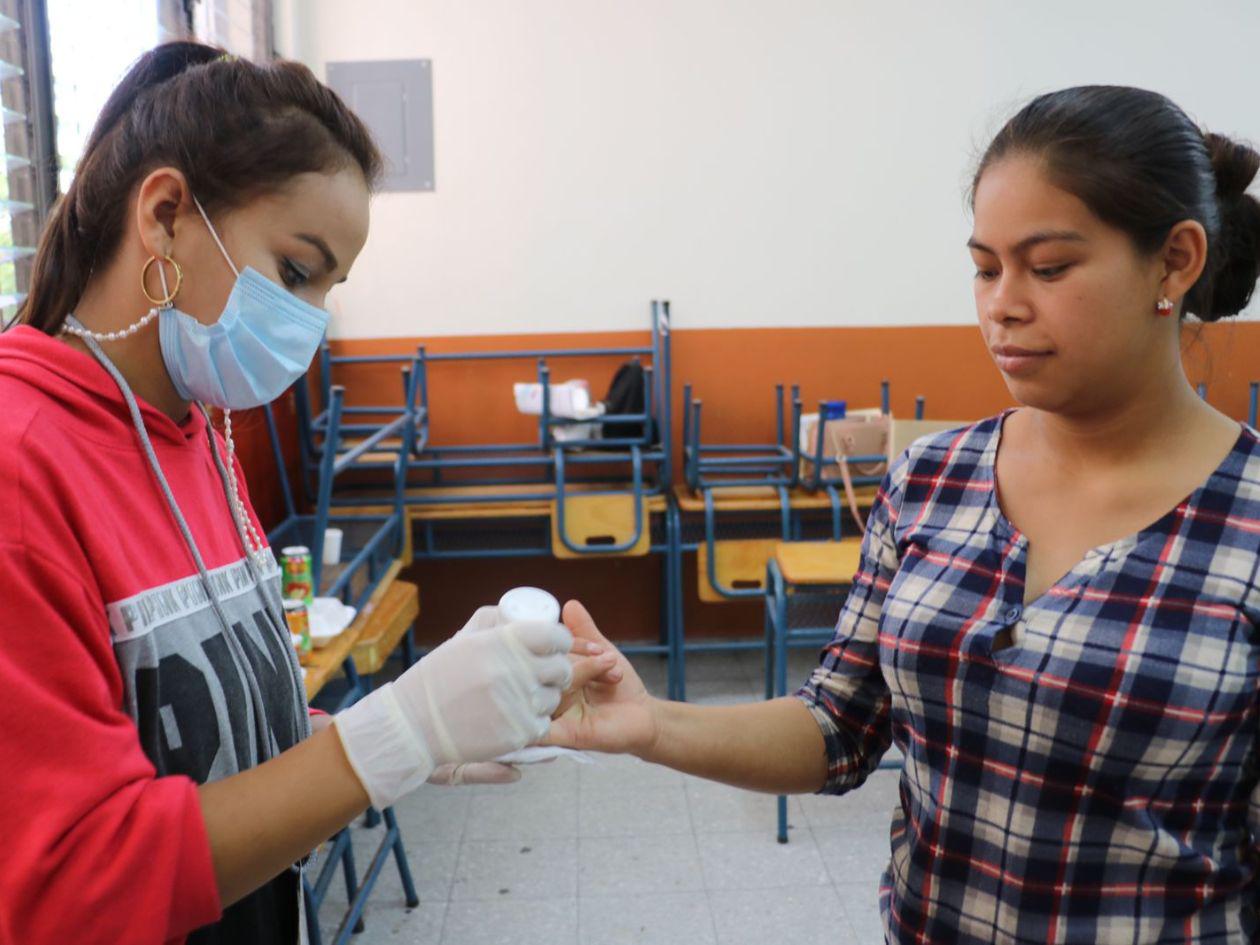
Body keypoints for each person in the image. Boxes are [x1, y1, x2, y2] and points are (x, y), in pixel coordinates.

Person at [548, 86, 1260, 942]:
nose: (1003, 302)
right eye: (985, 266)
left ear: (1176, 261)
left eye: (1050, 266)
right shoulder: (931, 478)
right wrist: (650, 722)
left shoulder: (1245, 520)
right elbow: (838, 726)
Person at [0, 42, 616, 944]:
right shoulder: (23, 464)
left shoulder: (194, 431)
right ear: (166, 213)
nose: (310, 323)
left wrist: (420, 729)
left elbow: (211, 737)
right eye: (297, 271)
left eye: (328, 289)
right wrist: (397, 734)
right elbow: (68, 885)